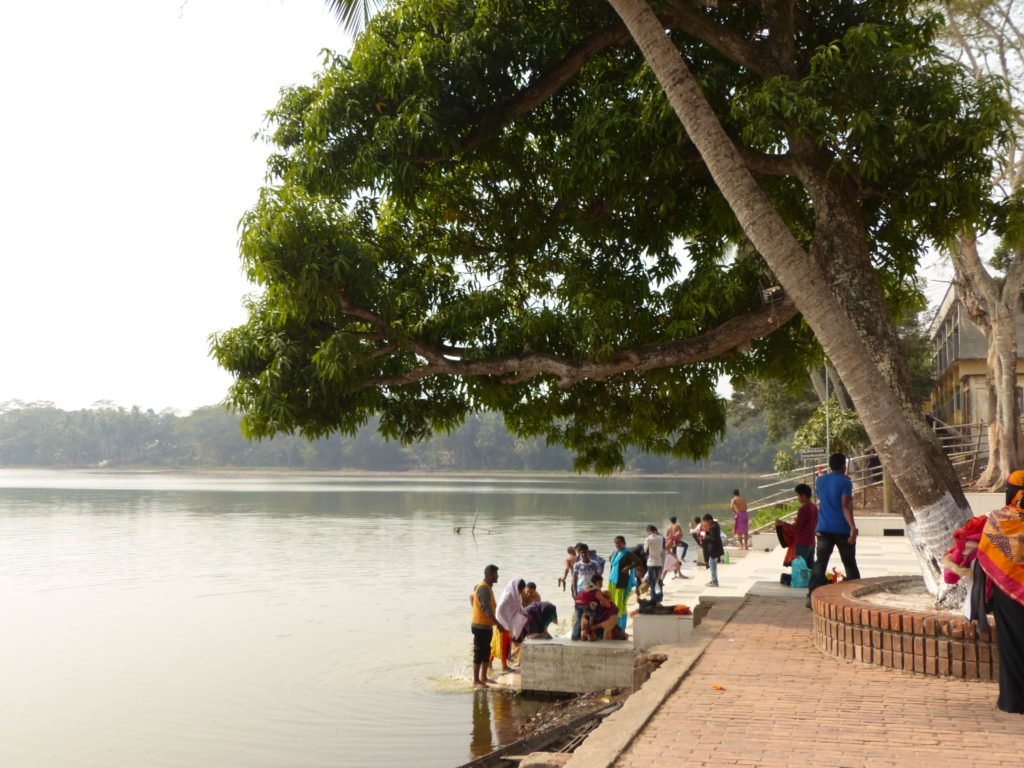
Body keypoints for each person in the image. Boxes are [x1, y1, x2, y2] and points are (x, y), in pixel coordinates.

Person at [975, 470, 1024, 713]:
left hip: (1009, 591)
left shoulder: (998, 519)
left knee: (1011, 644)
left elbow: (985, 553)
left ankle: (1012, 700)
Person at [808, 452, 861, 607]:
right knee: (849, 562)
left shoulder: (820, 481)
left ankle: (811, 596)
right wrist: (852, 528)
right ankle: (855, 595)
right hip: (842, 529)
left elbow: (823, 500)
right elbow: (845, 505)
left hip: (824, 528)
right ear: (843, 466)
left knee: (821, 562)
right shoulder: (845, 483)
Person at [470, 564, 503, 688]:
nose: (497, 576)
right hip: (480, 626)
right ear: (489, 576)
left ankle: (483, 678)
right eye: (495, 574)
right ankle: (476, 681)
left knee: (486, 652)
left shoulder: (487, 587)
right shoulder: (483, 588)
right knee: (479, 653)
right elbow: (486, 609)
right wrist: (497, 624)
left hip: (486, 626)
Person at [493, 578, 530, 673]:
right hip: (502, 624)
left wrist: (524, 613)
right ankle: (503, 666)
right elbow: (499, 610)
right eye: (520, 589)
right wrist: (503, 624)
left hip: (508, 624)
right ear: (515, 587)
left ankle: (493, 664)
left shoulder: (517, 595)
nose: (521, 591)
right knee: (502, 645)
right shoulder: (508, 595)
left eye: (522, 589)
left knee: (504, 645)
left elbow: (519, 607)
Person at [608, 535, 642, 630]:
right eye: (616, 543)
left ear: (624, 543)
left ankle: (621, 627)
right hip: (612, 581)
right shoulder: (615, 553)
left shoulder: (627, 553)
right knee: (613, 603)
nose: (617, 545)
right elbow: (611, 561)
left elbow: (638, 562)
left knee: (621, 605)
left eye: (619, 543)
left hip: (622, 583)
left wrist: (628, 567)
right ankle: (614, 625)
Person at [574, 574, 622, 640]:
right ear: (595, 583)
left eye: (602, 582)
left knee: (579, 619)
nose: (601, 584)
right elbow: (602, 599)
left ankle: (576, 635)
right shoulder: (597, 591)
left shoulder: (589, 587)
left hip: (578, 602)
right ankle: (587, 632)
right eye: (600, 582)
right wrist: (607, 603)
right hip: (586, 605)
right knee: (590, 615)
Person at [570, 545, 603, 639]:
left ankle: (591, 633)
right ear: (579, 554)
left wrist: (599, 589)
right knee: (578, 615)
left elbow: (598, 577)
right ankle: (575, 636)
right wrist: (574, 592)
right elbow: (574, 579)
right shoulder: (577, 565)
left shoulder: (594, 564)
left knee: (592, 613)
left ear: (588, 553)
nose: (583, 554)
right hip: (580, 592)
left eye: (585, 552)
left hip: (592, 592)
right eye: (581, 553)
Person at [792, 483, 818, 569]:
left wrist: (784, 524)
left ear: (803, 496)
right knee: (810, 568)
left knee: (800, 568)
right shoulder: (814, 507)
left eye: (798, 495)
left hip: (802, 542)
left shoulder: (803, 509)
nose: (798, 498)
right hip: (811, 541)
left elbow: (798, 528)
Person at [701, 513, 724, 587]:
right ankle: (714, 580)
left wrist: (705, 537)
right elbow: (713, 535)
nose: (705, 523)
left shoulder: (713, 527)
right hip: (715, 549)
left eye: (705, 522)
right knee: (713, 566)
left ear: (710, 520)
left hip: (714, 550)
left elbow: (713, 539)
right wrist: (707, 532)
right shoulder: (715, 524)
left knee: (712, 567)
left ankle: (714, 582)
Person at [644, 524, 666, 602]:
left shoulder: (648, 539)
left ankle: (653, 598)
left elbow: (645, 550)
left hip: (651, 563)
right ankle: (659, 598)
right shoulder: (661, 538)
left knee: (652, 581)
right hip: (659, 563)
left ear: (649, 531)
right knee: (658, 580)